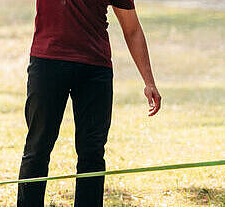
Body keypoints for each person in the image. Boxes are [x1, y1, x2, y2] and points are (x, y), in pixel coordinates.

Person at [17, 0, 163, 206]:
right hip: (47, 62)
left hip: (95, 68)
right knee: (37, 147)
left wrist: (149, 81)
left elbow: (132, 29)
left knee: (92, 153)